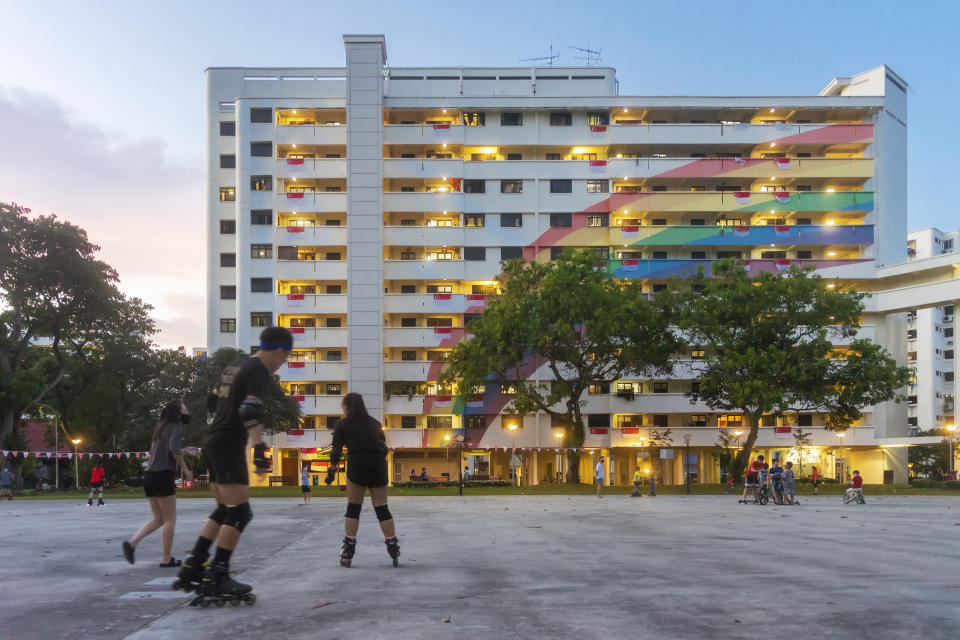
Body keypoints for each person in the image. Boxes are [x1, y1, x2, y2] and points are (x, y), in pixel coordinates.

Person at [173, 326, 292, 602]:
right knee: (240, 513)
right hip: (228, 443)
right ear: (277, 350)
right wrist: (259, 446)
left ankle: (194, 567)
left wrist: (224, 418)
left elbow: (212, 399)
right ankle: (218, 574)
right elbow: (250, 409)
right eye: (284, 357)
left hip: (214, 439)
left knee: (224, 510)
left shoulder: (237, 364)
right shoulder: (260, 370)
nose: (282, 363)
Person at [325, 392, 400, 568]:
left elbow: (335, 451)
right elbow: (384, 448)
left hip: (357, 465)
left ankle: (348, 552)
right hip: (377, 466)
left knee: (353, 509)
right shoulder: (375, 424)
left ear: (346, 406)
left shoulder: (342, 425)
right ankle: (393, 547)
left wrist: (332, 471)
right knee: (382, 509)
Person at [123, 400, 194, 567]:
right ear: (177, 413)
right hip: (163, 475)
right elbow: (174, 451)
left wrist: (185, 450)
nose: (186, 411)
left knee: (159, 519)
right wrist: (186, 469)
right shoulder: (177, 426)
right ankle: (166, 559)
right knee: (170, 520)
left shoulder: (160, 428)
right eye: (185, 408)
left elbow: (168, 450)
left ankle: (131, 544)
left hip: (150, 476)